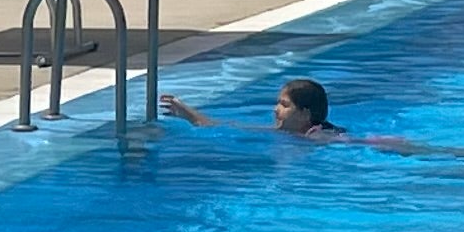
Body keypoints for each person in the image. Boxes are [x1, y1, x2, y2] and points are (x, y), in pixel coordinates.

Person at [155, 74, 415, 152]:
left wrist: (383, 143)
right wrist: (190, 115)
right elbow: (230, 126)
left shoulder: (315, 136)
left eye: (284, 105)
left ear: (304, 114)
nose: (275, 109)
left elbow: (350, 142)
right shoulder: (289, 132)